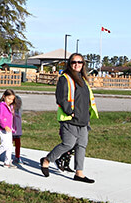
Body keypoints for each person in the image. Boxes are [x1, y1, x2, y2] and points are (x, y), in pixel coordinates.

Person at [40, 53, 99, 184]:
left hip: (83, 120)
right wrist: (70, 112)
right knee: (68, 144)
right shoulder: (65, 78)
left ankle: (79, 173)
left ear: (83, 64)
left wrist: (87, 115)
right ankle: (47, 160)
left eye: (80, 62)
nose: (77, 64)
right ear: (69, 64)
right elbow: (61, 98)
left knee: (81, 146)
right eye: (74, 62)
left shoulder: (83, 80)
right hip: (70, 118)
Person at [12, 95, 23, 165]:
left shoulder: (19, 112)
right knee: (8, 145)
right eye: (17, 103)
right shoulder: (11, 112)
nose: (18, 105)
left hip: (18, 132)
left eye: (20, 103)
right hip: (12, 131)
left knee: (18, 145)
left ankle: (17, 156)